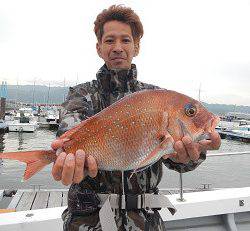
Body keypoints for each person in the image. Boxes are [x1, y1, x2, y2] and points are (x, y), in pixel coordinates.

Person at [51, 5, 221, 231]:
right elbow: (67, 135)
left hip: (145, 222)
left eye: (126, 40)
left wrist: (193, 155)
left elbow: (173, 159)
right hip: (88, 222)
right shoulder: (81, 95)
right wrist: (67, 159)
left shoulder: (157, 97)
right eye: (110, 40)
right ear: (99, 48)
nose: (118, 48)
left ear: (136, 46)